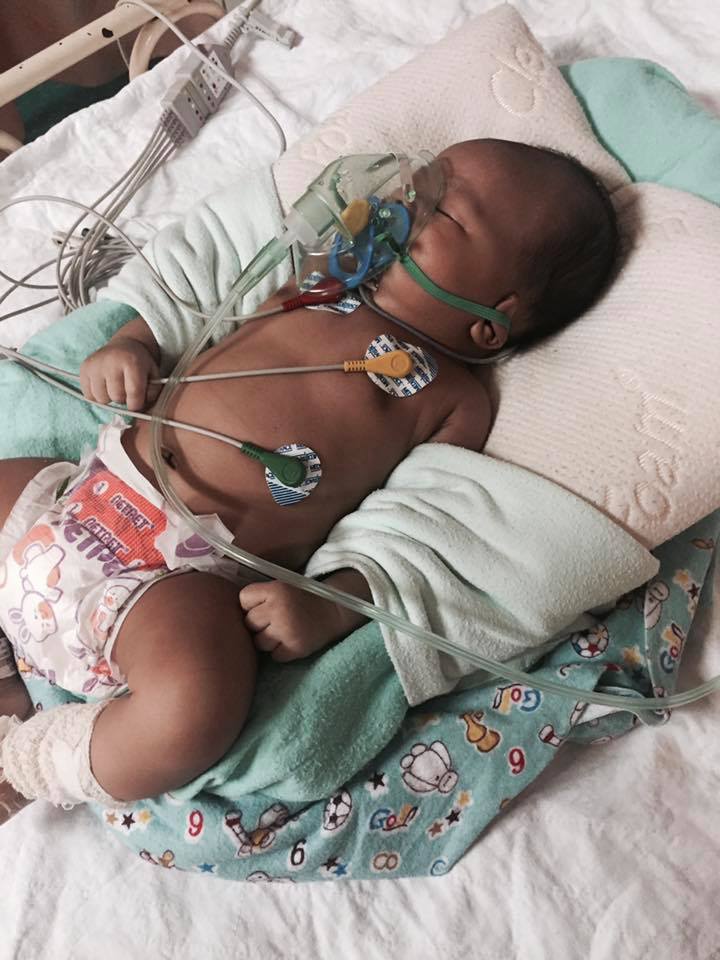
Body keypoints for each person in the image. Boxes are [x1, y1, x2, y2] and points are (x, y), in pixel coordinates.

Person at [0, 138, 618, 816]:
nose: (409, 203)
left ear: (489, 324)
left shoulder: (449, 400)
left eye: (445, 213)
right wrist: (131, 345)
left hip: (173, 578)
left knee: (198, 702)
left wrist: (333, 604)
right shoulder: (315, 282)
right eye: (420, 184)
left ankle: (44, 759)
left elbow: (409, 528)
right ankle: (9, 672)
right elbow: (196, 302)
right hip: (88, 489)